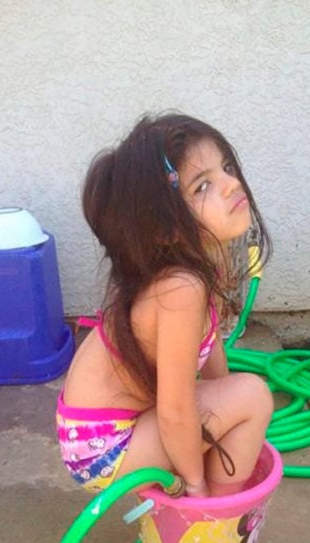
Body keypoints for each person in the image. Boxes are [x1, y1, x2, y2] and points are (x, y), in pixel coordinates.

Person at [56, 112, 273, 498]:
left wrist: (226, 400)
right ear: (166, 229)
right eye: (202, 186)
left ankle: (210, 502)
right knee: (253, 395)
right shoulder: (180, 287)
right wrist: (195, 483)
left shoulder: (199, 267)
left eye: (225, 167)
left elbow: (211, 352)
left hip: (110, 429)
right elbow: (175, 409)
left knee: (240, 396)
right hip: (105, 447)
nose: (230, 184)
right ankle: (215, 520)